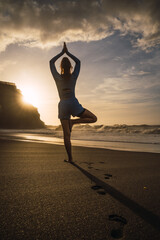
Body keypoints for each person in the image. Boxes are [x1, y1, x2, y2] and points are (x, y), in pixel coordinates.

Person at [50, 42, 97, 163]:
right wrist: (68, 52)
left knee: (66, 135)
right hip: (74, 104)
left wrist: (61, 53)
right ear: (70, 66)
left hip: (63, 106)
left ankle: (70, 158)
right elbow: (79, 62)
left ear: (61, 66)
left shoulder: (57, 78)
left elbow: (51, 62)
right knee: (94, 118)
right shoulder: (74, 76)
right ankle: (74, 122)